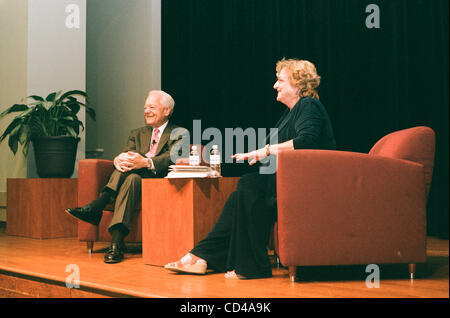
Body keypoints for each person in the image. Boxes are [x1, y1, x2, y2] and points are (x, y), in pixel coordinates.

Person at [164, 58, 336, 279]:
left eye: (280, 80)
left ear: (299, 85)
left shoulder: (308, 105)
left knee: (249, 184)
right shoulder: (289, 113)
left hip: (310, 185)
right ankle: (203, 257)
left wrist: (264, 150)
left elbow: (307, 142)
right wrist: (260, 152)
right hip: (288, 181)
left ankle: (250, 266)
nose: (275, 85)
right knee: (239, 197)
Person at [66, 90, 188, 264]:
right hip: (134, 180)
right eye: (145, 107)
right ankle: (115, 244)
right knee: (131, 178)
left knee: (131, 172)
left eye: (152, 107)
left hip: (157, 182)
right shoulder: (137, 133)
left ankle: (97, 206)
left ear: (167, 110)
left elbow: (172, 157)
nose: (147, 111)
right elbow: (126, 153)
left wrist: (145, 162)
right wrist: (118, 160)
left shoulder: (179, 132)